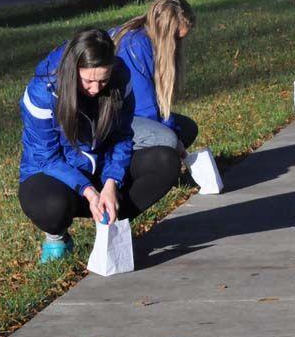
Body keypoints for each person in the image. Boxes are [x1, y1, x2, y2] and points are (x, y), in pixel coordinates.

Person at [18, 29, 180, 262]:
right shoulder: (42, 92)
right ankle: (57, 237)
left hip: (100, 165)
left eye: (103, 80)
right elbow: (46, 156)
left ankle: (110, 225)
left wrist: (112, 182)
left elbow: (123, 136)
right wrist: (88, 190)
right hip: (54, 173)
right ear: (73, 70)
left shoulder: (120, 77)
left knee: (165, 161)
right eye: (88, 81)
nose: (95, 89)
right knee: (51, 207)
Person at [112, 0, 198, 153]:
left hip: (130, 112)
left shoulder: (146, 37)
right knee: (167, 139)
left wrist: (173, 128)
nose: (177, 45)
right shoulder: (135, 46)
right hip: (115, 118)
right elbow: (144, 106)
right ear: (164, 32)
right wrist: (173, 136)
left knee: (186, 128)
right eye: (175, 38)